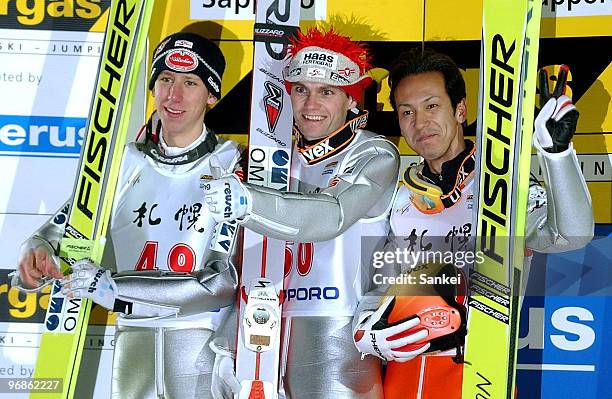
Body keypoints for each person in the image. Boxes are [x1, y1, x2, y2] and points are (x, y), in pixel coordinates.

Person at [352, 48, 594, 399]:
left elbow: (570, 235)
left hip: (479, 371)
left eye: (432, 106)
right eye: (407, 112)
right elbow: (378, 288)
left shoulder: (501, 183)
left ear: (460, 109)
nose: (420, 123)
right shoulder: (396, 194)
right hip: (404, 374)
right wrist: (367, 334)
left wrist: (557, 155)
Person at [12, 32, 242, 399]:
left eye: (190, 83)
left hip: (201, 345)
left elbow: (221, 284)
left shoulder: (235, 165)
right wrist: (36, 253)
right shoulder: (121, 165)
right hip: (132, 343)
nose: (174, 96)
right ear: (153, 88)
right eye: (165, 80)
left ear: (212, 95)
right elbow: (59, 232)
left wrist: (115, 288)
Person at [204, 28, 399, 398]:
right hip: (262, 330)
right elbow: (237, 261)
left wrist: (248, 201)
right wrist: (228, 341)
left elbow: (333, 216)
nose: (311, 104)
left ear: (351, 101)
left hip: (338, 334)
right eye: (301, 89)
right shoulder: (271, 158)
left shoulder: (374, 152)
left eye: (326, 92)